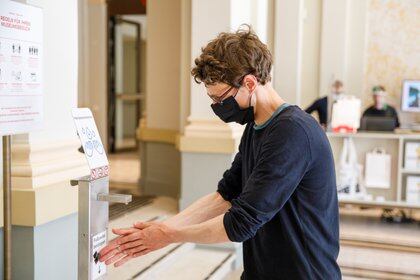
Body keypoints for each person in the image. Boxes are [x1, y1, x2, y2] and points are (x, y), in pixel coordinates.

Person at [99, 26, 341, 280]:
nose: (217, 107)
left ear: (250, 82)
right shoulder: (257, 128)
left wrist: (167, 236)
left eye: (220, 98)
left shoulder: (293, 132)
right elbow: (225, 194)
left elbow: (241, 222)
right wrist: (163, 227)